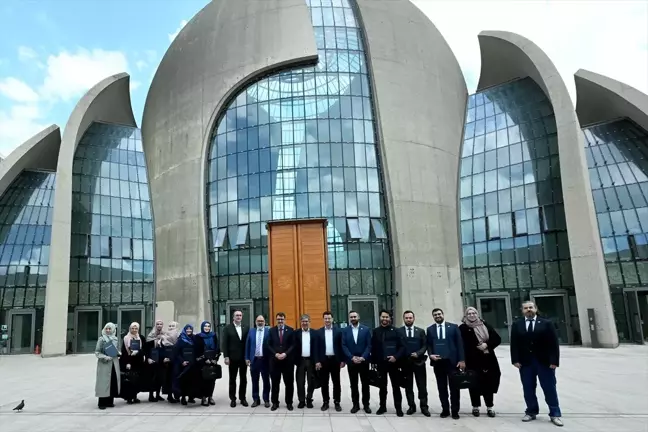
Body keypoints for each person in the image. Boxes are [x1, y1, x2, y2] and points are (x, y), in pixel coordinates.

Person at [511, 301, 563, 427]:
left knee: (549, 388)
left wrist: (554, 361)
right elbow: (514, 344)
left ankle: (555, 413)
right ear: (522, 310)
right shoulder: (517, 324)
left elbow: (553, 344)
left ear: (535, 309)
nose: (528, 309)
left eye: (531, 307)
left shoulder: (546, 323)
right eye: (525, 308)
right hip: (526, 363)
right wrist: (515, 360)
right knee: (528, 388)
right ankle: (531, 411)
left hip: (544, 362)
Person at [459, 307, 501, 418]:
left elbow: (497, 339)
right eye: (469, 313)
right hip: (472, 361)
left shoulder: (485, 325)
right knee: (473, 384)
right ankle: (475, 406)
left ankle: (490, 407)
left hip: (488, 359)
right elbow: (461, 345)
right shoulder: (463, 328)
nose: (472, 315)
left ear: (477, 314)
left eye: (474, 313)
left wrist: (487, 345)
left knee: (489, 383)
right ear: (466, 315)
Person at [426, 308, 465, 419]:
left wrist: (462, 360)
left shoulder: (453, 327)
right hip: (438, 362)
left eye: (439, 314)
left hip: (452, 362)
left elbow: (459, 344)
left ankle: (455, 410)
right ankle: (445, 409)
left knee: (454, 388)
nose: (437, 316)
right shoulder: (430, 329)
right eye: (435, 315)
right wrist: (430, 354)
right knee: (441, 387)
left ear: (443, 314)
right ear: (433, 317)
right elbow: (429, 345)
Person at [371, 309, 405, 417]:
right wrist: (373, 362)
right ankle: (382, 407)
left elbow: (402, 347)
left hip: (393, 364)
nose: (384, 319)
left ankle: (398, 408)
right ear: (380, 318)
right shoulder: (376, 331)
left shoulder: (396, 331)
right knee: (382, 387)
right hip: (381, 364)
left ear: (390, 318)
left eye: (387, 317)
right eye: (383, 317)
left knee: (396, 387)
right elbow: (373, 347)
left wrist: (396, 357)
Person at [398, 310, 429, 417]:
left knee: (422, 385)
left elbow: (425, 345)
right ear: (403, 319)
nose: (408, 319)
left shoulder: (420, 331)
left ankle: (424, 406)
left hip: (419, 362)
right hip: (405, 363)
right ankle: (411, 406)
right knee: (408, 386)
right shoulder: (399, 331)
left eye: (410, 318)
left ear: (414, 318)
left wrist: (418, 353)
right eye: (406, 318)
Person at [341, 310, 371, 414]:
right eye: (351, 317)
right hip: (352, 362)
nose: (353, 318)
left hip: (363, 362)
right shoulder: (345, 331)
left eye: (354, 316)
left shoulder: (366, 330)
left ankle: (366, 405)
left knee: (365, 384)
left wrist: (363, 357)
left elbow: (369, 345)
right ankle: (355, 405)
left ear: (358, 317)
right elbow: (344, 345)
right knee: (353, 384)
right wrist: (351, 357)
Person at [264, 311, 295, 411]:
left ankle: (289, 402)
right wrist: (275, 354)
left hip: (287, 361)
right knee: (275, 383)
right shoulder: (271, 331)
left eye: (282, 319)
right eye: (278, 319)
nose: (280, 321)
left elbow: (293, 345)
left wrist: (285, 354)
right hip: (275, 361)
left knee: (289, 383)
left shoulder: (290, 330)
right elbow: (268, 344)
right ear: (276, 320)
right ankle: (275, 403)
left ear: (284, 320)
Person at [314, 311, 344, 412]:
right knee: (324, 383)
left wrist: (342, 360)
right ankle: (325, 402)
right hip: (323, 361)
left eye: (329, 318)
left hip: (335, 360)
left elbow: (341, 347)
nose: (327, 320)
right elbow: (316, 348)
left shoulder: (338, 331)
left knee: (336, 382)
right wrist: (317, 361)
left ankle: (337, 402)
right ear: (323, 320)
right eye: (325, 318)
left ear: (332, 319)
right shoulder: (319, 332)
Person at [222, 309, 250, 407]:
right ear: (233, 317)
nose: (238, 317)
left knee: (243, 379)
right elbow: (224, 343)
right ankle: (233, 399)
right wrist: (226, 356)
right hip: (232, 358)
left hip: (243, 358)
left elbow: (248, 343)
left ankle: (243, 398)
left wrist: (248, 356)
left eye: (240, 315)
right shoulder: (228, 328)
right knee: (232, 379)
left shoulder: (246, 327)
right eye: (236, 315)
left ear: (242, 317)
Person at [245, 315, 271, 408]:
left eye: (262, 321)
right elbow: (247, 345)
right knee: (254, 381)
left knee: (266, 381)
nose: (260, 322)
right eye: (258, 321)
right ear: (256, 322)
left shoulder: (269, 331)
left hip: (265, 361)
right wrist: (247, 358)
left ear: (264, 322)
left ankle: (266, 399)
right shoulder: (251, 331)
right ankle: (256, 399)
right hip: (254, 360)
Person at [172, 324, 200, 405]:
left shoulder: (194, 338)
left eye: (190, 329)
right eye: (187, 329)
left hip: (193, 364)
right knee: (184, 382)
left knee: (193, 381)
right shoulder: (181, 339)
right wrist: (182, 361)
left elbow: (197, 350)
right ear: (184, 330)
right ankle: (183, 397)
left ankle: (191, 397)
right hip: (184, 365)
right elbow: (176, 352)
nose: (189, 331)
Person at [95, 322, 121, 409]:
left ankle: (110, 401)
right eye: (106, 329)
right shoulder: (101, 339)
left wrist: (118, 353)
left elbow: (116, 350)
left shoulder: (115, 339)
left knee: (112, 382)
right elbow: (97, 352)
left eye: (110, 329)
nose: (108, 330)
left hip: (114, 363)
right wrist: (105, 357)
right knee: (103, 382)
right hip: (104, 364)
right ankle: (102, 403)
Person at [195, 320, 221, 406]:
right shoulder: (198, 337)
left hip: (212, 360)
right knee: (203, 380)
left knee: (212, 379)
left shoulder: (213, 335)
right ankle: (203, 397)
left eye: (208, 326)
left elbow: (217, 348)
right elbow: (197, 350)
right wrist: (205, 359)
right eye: (205, 326)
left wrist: (215, 359)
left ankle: (210, 396)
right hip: (203, 361)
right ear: (202, 327)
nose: (207, 328)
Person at [294, 314, 318, 409]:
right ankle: (301, 400)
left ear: (309, 322)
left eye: (306, 321)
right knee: (300, 382)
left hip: (311, 361)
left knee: (311, 381)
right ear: (300, 322)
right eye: (303, 321)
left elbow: (316, 348)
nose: (304, 323)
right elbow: (294, 348)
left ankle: (309, 399)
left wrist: (317, 361)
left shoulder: (314, 333)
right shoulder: (296, 333)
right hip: (300, 361)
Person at [120, 322, 145, 404]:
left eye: (136, 328)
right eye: (132, 328)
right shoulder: (126, 338)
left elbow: (144, 349)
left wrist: (138, 352)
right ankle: (129, 398)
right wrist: (127, 362)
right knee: (130, 380)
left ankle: (135, 396)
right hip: (129, 362)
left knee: (137, 380)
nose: (134, 330)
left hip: (138, 362)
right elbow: (124, 351)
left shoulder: (141, 338)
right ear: (130, 329)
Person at [144, 320, 168, 402]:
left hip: (161, 360)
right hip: (152, 360)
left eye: (161, 324)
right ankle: (151, 396)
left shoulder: (165, 335)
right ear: (155, 325)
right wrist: (148, 358)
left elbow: (166, 348)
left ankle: (158, 395)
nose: (159, 325)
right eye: (157, 324)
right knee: (152, 378)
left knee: (160, 378)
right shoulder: (151, 335)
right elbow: (146, 349)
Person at [163, 321, 179, 403]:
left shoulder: (179, 336)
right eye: (170, 325)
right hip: (167, 361)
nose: (171, 327)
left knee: (176, 378)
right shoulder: (164, 336)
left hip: (176, 361)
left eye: (173, 326)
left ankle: (177, 394)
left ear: (177, 327)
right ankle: (169, 395)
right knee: (168, 379)